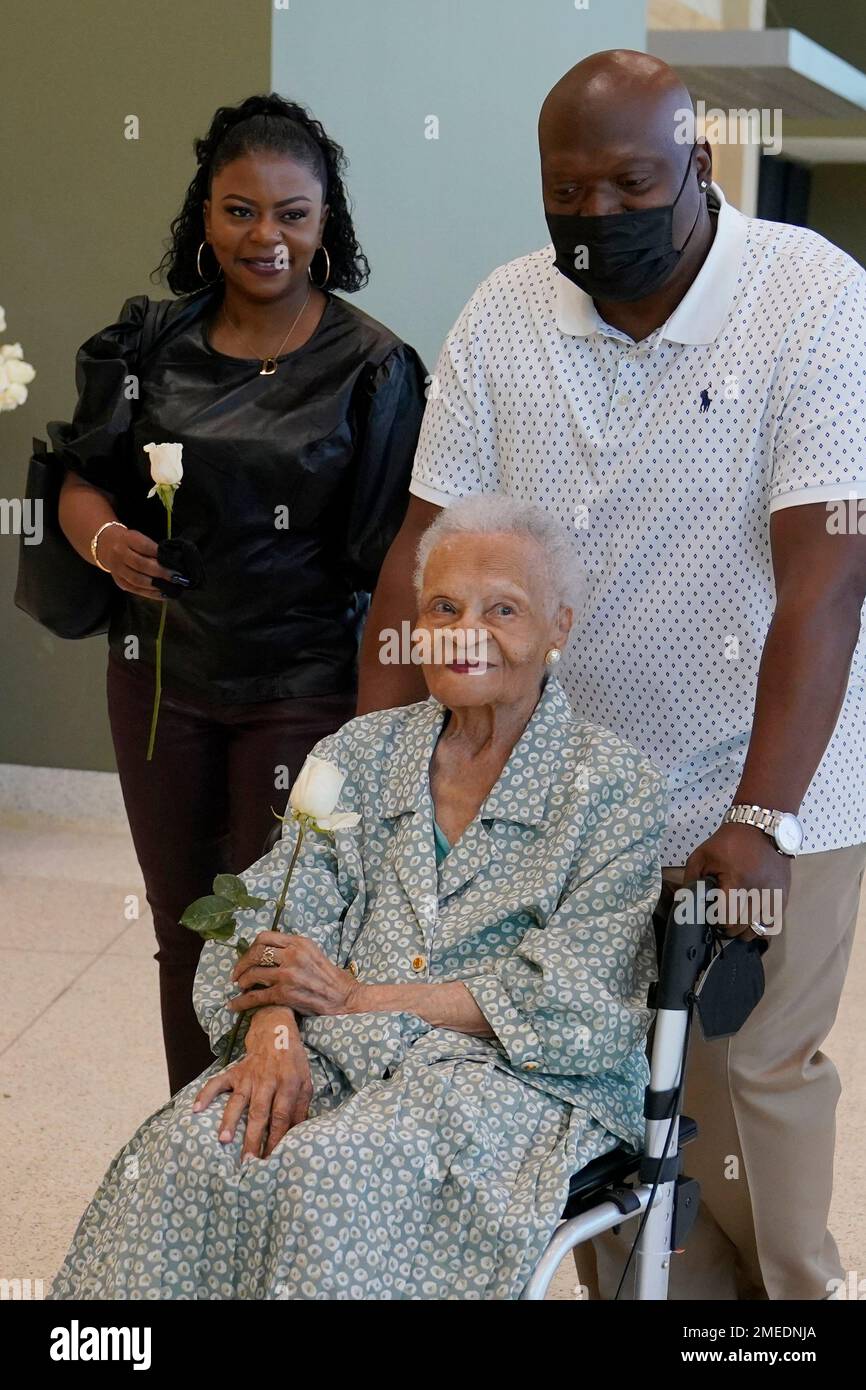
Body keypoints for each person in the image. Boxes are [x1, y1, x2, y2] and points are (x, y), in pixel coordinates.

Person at [355, 50, 866, 1301]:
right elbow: (414, 561)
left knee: (744, 1083)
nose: (593, 218)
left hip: (772, 779)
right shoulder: (506, 310)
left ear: (696, 164)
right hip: (566, 794)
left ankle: (796, 1312)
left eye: (628, 186)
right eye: (564, 190)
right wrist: (364, 781)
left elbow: (827, 575)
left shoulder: (810, 296)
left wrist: (759, 816)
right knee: (592, 1085)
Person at [47, 494, 666, 1300]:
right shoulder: (361, 752)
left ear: (559, 628)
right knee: (193, 1146)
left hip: (513, 1081)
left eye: (502, 609)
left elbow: (579, 998)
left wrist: (358, 997)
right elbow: (265, 912)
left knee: (330, 1171)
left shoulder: (614, 787)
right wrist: (273, 1025)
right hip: (339, 1053)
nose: (465, 630)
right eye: (444, 606)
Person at [52, 93, 428, 1095]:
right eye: (239, 210)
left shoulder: (373, 367)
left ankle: (276, 1146)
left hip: (304, 684)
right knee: (181, 923)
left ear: (324, 223)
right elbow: (79, 475)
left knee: (272, 939)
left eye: (291, 213)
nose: (265, 236)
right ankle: (195, 1129)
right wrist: (103, 541)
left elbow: (394, 555)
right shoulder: (143, 345)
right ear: (204, 214)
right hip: (160, 675)